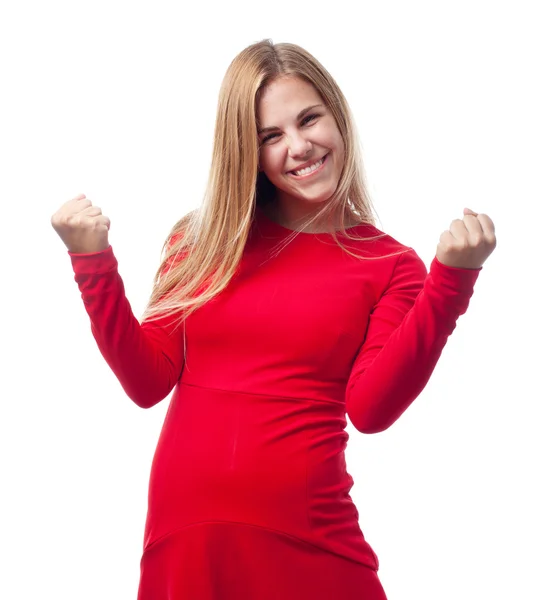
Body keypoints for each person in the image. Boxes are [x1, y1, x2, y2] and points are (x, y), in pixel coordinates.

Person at [51, 39, 496, 600]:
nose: (299, 145)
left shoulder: (388, 264)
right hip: (189, 539)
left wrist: (451, 281)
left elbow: (372, 409)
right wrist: (92, 262)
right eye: (271, 136)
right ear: (247, 150)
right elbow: (147, 382)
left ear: (337, 115)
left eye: (309, 119)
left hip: (314, 542)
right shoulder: (201, 241)